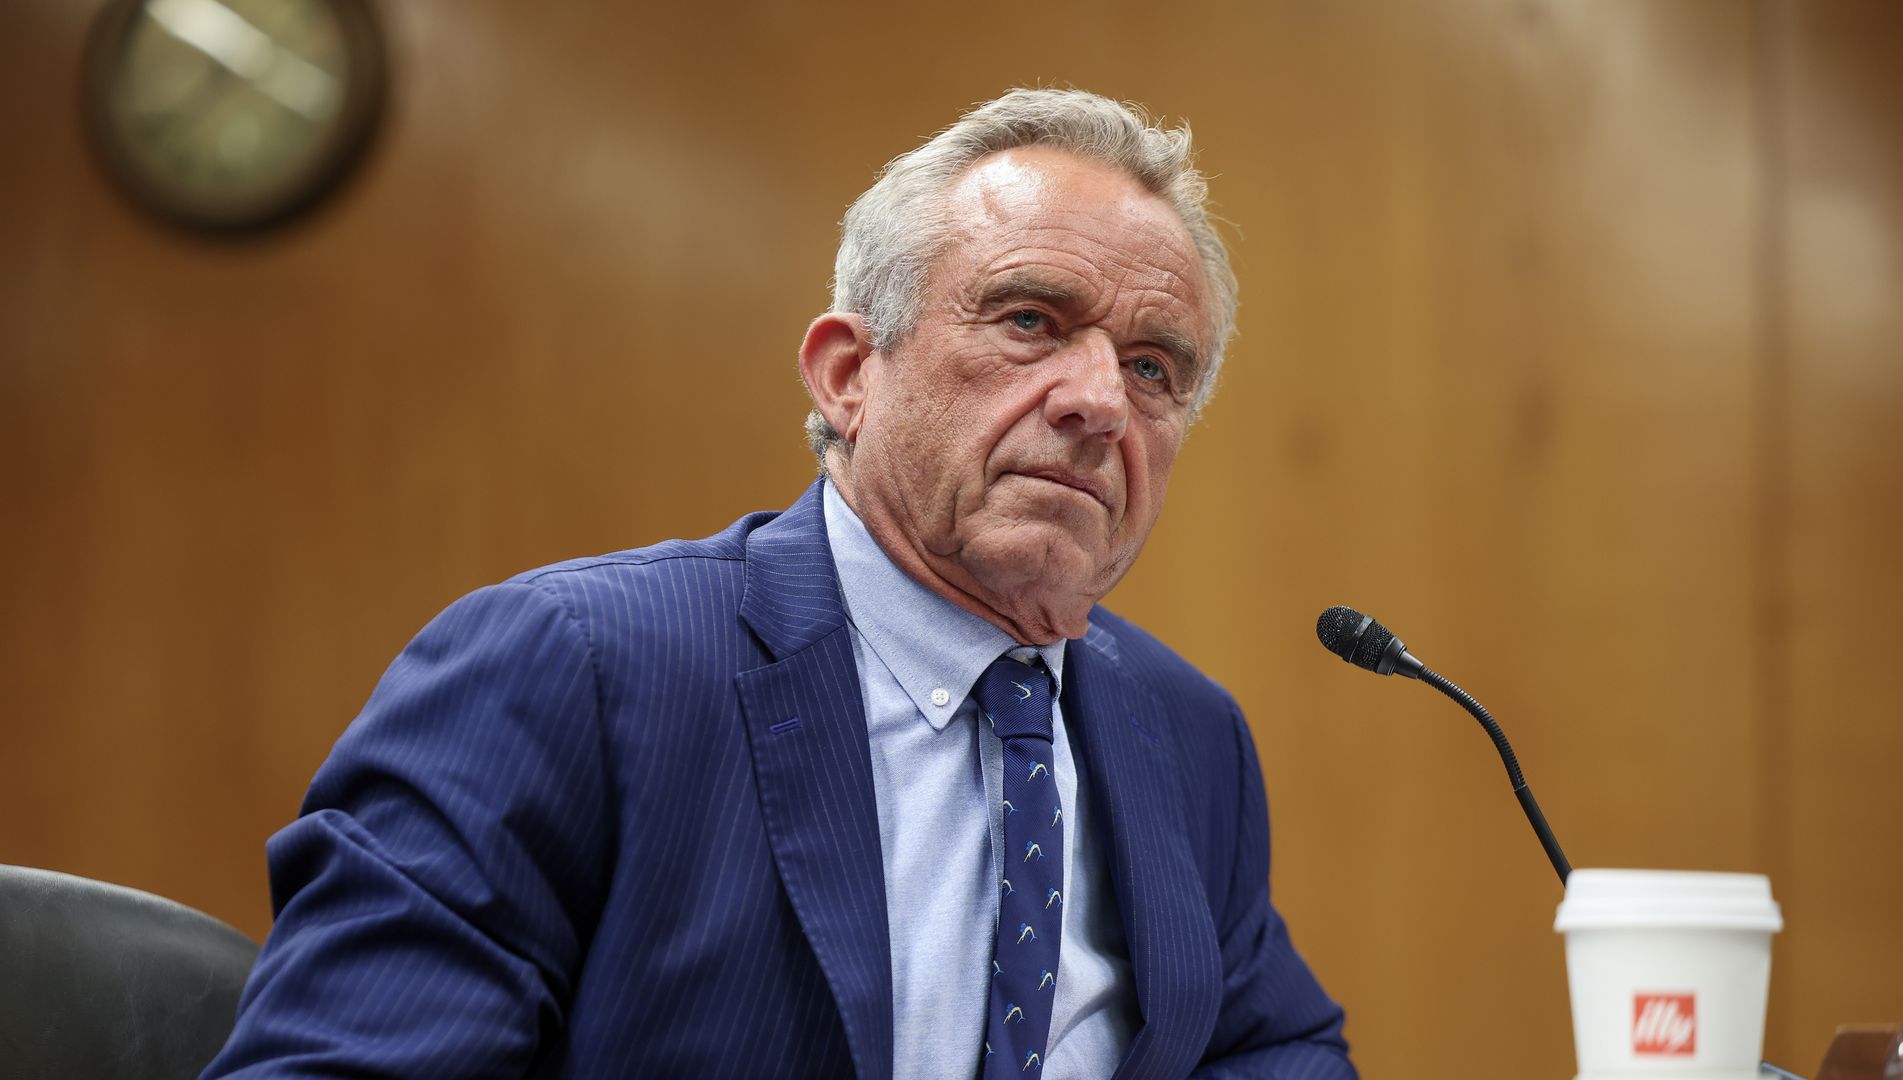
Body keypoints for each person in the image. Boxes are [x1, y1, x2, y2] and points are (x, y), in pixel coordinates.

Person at [201, 89, 1353, 1080]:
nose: (1099, 401)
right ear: (849, 375)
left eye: (1152, 367)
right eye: (1028, 321)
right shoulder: (568, 668)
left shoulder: (1185, 732)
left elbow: (1277, 1049)